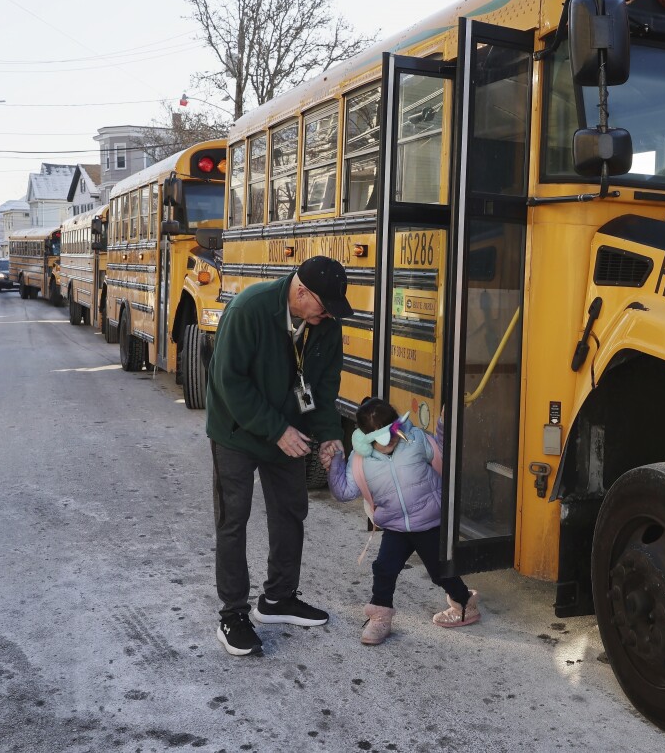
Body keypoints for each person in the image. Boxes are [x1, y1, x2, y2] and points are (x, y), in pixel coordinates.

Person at [205, 255, 352, 656]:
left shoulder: (326, 324)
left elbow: (323, 387)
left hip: (289, 431)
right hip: (236, 430)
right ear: (301, 292)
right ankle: (232, 614)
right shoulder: (249, 309)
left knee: (291, 510)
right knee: (233, 519)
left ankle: (277, 599)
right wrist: (276, 430)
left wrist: (328, 436)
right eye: (324, 305)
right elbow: (229, 382)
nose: (328, 315)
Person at [320, 397, 480, 645]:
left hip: (429, 523)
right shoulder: (360, 461)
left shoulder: (415, 439)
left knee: (440, 573)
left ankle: (465, 604)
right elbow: (343, 492)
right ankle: (380, 617)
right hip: (395, 527)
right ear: (367, 438)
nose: (391, 439)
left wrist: (443, 426)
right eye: (383, 436)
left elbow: (443, 451)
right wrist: (335, 463)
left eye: (393, 429)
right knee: (384, 569)